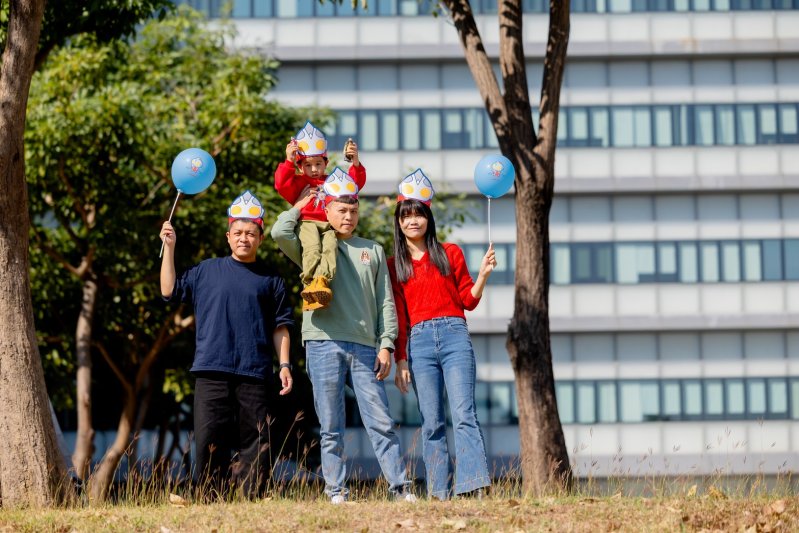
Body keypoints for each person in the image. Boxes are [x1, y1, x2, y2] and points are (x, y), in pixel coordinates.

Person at [270, 170, 415, 504]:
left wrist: (387, 343)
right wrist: (303, 204)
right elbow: (279, 231)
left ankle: (401, 488)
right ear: (328, 210)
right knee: (331, 425)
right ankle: (336, 490)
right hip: (322, 341)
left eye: (353, 210)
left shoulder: (373, 250)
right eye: (341, 210)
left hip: (365, 345)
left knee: (381, 421)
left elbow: (385, 302)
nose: (348, 217)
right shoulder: (311, 244)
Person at [159, 190, 295, 498]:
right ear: (228, 236)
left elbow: (281, 326)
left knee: (256, 440)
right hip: (211, 368)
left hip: (255, 371)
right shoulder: (206, 270)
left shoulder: (270, 279)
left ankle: (253, 498)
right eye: (238, 233)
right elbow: (169, 290)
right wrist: (169, 248)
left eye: (250, 233)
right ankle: (209, 497)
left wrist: (284, 364)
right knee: (209, 437)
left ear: (261, 237)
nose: (244, 238)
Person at [388, 169, 496, 501]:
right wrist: (401, 358)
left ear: (428, 217)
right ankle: (438, 493)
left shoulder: (450, 253)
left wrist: (483, 275)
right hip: (418, 343)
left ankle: (473, 485)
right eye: (406, 215)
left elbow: (468, 300)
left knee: (464, 414)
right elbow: (401, 317)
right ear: (399, 222)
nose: (413, 221)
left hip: (454, 336)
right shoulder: (395, 264)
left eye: (418, 213)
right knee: (431, 421)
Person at [274, 121, 365, 311]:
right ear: (300, 167)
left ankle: (321, 281)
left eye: (318, 164)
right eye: (308, 165)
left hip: (329, 226)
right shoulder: (299, 183)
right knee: (312, 248)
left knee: (330, 248)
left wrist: (355, 162)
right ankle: (310, 284)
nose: (314, 169)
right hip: (307, 223)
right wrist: (289, 160)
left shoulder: (333, 182)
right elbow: (281, 185)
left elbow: (353, 185)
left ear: (326, 163)